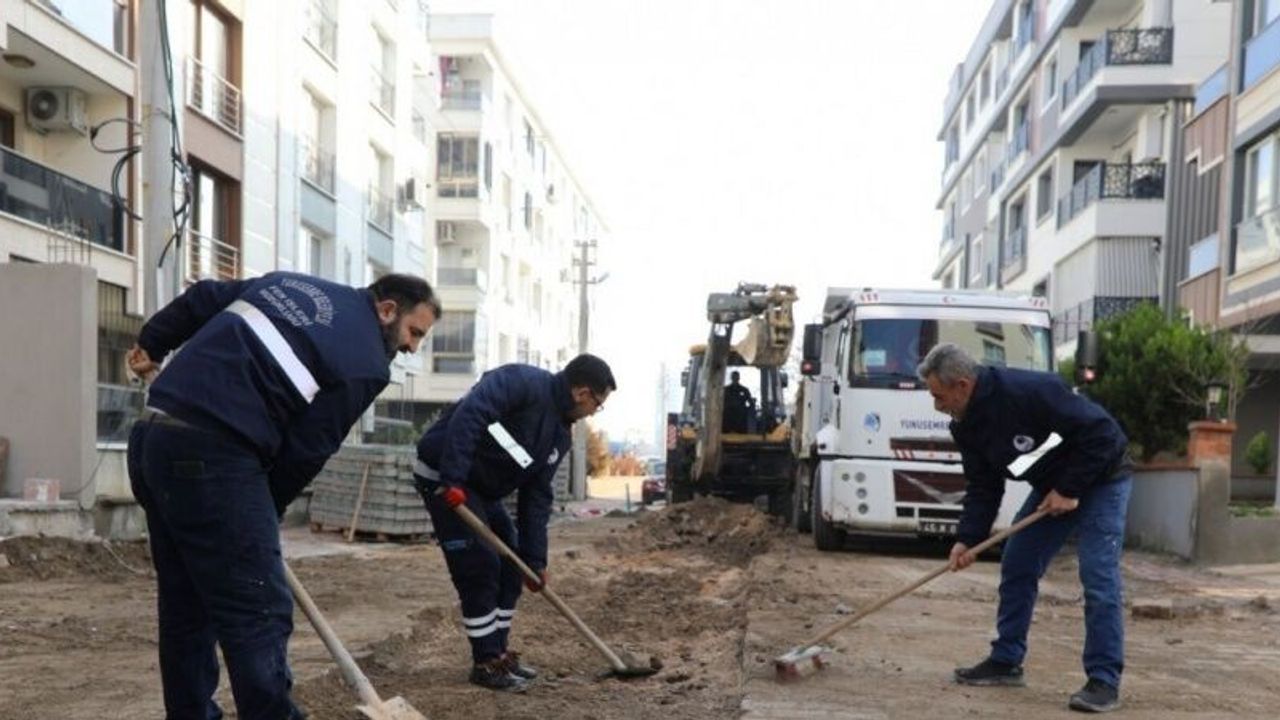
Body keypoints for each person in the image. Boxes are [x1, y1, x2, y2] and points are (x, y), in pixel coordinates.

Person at [126, 272, 440, 720]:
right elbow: (305, 451)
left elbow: (203, 297)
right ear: (388, 310)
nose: (412, 347)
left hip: (152, 442)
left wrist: (153, 342)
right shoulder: (368, 362)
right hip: (215, 454)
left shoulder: (287, 285)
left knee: (187, 603)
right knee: (260, 609)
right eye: (414, 332)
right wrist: (257, 521)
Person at [916, 343, 1132, 714]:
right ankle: (1006, 660)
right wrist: (968, 539)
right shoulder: (965, 425)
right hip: (1054, 485)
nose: (937, 405)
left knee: (1097, 576)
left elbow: (1103, 434)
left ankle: (1103, 680)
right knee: (1018, 563)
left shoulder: (1030, 391)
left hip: (1103, 478)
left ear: (962, 385)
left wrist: (1070, 488)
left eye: (939, 396)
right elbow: (984, 485)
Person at [414, 354, 615, 691]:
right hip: (444, 476)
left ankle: (500, 652)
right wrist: (453, 478)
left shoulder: (558, 435)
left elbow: (536, 497)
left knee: (513, 564)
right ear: (582, 392)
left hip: (481, 490)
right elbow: (471, 414)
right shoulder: (521, 383)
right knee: (480, 566)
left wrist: (535, 561)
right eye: (598, 403)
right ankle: (485, 662)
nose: (595, 411)